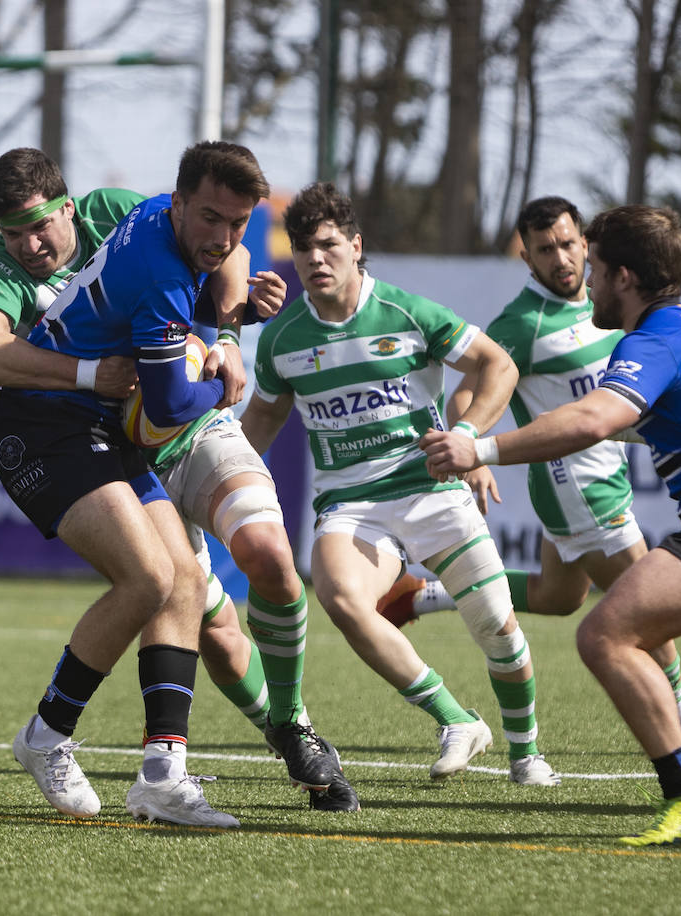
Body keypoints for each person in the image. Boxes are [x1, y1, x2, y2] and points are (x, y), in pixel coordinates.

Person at [0, 148, 355, 811]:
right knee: (149, 577)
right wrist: (198, 378)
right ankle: (47, 735)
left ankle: (163, 774)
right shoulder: (4, 271)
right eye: (12, 231)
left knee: (192, 584)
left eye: (41, 226)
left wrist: (228, 325)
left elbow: (220, 245)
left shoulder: (122, 213)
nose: (29, 245)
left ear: (69, 206)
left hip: (123, 421)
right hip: (54, 428)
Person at [240, 182, 560, 787]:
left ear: (356, 247)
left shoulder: (410, 314)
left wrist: (466, 436)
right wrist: (214, 480)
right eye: (304, 248)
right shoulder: (283, 339)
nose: (315, 259)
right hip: (350, 505)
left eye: (328, 245)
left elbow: (500, 366)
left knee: (497, 626)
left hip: (431, 492)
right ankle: (455, 720)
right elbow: (259, 421)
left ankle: (526, 753)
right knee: (341, 599)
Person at [377, 196, 681, 755]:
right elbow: (470, 391)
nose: (564, 259)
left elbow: (624, 412)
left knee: (559, 597)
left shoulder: (625, 319)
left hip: (609, 474)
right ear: (526, 258)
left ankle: (425, 596)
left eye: (570, 245)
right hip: (578, 488)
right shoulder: (525, 324)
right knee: (637, 615)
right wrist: (474, 447)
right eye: (545, 249)